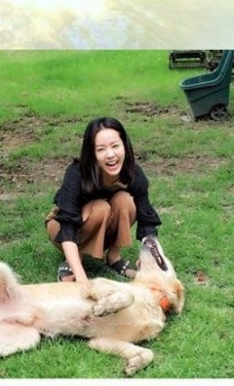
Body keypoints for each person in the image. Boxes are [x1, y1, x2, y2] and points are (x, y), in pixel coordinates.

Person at [45, 117, 162, 288]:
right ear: (92, 153)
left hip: (106, 228)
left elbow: (146, 218)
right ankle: (74, 261)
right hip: (63, 229)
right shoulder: (77, 174)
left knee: (126, 201)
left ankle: (114, 258)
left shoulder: (134, 174)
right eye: (101, 149)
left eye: (115, 146)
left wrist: (150, 256)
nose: (110, 155)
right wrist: (83, 281)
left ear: (125, 145)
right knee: (101, 208)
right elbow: (68, 227)